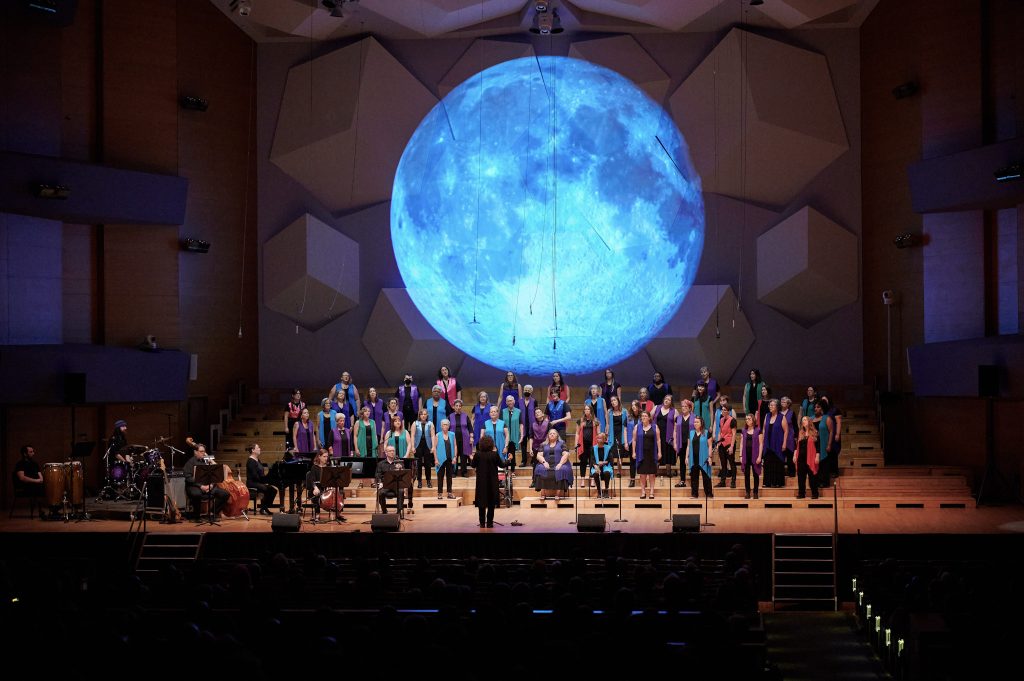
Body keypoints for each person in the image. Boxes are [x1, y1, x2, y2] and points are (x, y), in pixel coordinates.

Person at [183, 443, 229, 519]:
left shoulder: (207, 461)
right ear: (195, 452)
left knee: (225, 494)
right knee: (196, 494)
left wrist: (211, 485)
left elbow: (215, 474)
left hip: (208, 486)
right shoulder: (190, 462)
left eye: (204, 451)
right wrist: (201, 486)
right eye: (201, 451)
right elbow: (188, 478)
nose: (203, 453)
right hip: (194, 486)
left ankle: (212, 513)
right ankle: (196, 516)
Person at [532, 428, 573, 500]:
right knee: (540, 469)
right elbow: (539, 455)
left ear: (557, 435)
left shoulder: (562, 443)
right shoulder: (543, 444)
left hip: (559, 463)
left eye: (554, 433)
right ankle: (543, 493)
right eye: (550, 433)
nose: (552, 434)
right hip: (546, 463)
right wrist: (544, 462)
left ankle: (558, 494)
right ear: (548, 436)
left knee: (562, 469)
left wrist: (560, 463)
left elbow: (566, 454)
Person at [471, 434, 502, 528]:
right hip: (492, 482)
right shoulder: (494, 454)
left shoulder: (478, 454)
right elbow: (502, 464)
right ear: (491, 444)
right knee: (491, 503)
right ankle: (489, 523)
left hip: (481, 483)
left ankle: (481, 523)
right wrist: (509, 459)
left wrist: (471, 458)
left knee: (481, 503)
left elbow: (473, 465)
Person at [375, 445, 413, 514]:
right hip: (385, 485)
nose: (392, 452)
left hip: (396, 485)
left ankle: (398, 512)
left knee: (401, 491)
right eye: (390, 451)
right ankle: (384, 510)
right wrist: (380, 483)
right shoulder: (381, 464)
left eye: (393, 451)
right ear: (386, 453)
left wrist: (400, 469)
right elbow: (377, 475)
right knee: (381, 493)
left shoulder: (399, 462)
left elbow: (404, 475)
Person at [632, 410, 661, 500]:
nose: (643, 417)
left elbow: (658, 440)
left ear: (649, 417)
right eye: (642, 416)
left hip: (652, 453)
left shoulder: (655, 427)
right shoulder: (637, 427)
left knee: (652, 474)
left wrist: (659, 451)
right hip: (641, 453)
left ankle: (651, 492)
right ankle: (643, 492)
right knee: (642, 474)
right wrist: (633, 451)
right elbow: (634, 440)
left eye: (645, 416)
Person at [652, 395, 680, 476]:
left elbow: (676, 425)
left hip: (668, 436)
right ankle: (655, 471)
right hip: (657, 434)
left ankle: (668, 471)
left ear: (671, 402)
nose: (666, 401)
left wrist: (675, 438)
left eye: (669, 400)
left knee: (668, 453)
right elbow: (649, 417)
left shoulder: (674, 411)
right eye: (665, 399)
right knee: (657, 451)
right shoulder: (656, 407)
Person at [13, 445, 45, 518]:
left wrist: (41, 480)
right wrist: (36, 481)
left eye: (33, 451)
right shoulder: (20, 464)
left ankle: (53, 509)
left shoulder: (35, 464)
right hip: (24, 487)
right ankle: (41, 510)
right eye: (31, 452)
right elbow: (22, 478)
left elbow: (40, 476)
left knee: (46, 487)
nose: (33, 453)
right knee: (37, 487)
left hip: (35, 485)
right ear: (25, 454)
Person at [245, 444, 277, 515]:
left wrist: (266, 480)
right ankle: (263, 509)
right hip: (252, 482)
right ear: (253, 450)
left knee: (273, 490)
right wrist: (264, 482)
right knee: (265, 488)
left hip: (258, 481)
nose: (259, 449)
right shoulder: (250, 461)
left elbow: (261, 473)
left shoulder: (257, 460)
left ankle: (264, 507)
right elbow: (254, 476)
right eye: (258, 447)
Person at [713, 396, 738, 488]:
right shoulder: (721, 419)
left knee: (731, 463)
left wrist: (731, 446)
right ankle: (722, 482)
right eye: (722, 409)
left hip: (729, 444)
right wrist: (718, 443)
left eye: (724, 410)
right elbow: (720, 432)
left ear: (728, 411)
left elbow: (734, 434)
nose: (722, 411)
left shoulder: (732, 420)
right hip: (722, 444)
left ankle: (733, 481)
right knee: (723, 464)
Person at [687, 417, 714, 499]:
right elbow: (688, 446)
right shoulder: (691, 433)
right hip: (693, 459)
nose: (695, 423)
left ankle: (709, 494)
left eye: (697, 422)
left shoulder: (706, 433)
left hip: (704, 459)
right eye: (694, 422)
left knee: (706, 477)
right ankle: (694, 494)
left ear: (701, 423)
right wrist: (686, 457)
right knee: (694, 478)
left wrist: (710, 457)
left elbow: (710, 446)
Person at [762, 399, 786, 488]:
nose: (770, 407)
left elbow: (786, 431)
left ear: (777, 407)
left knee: (777, 462)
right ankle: (768, 482)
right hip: (768, 443)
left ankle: (777, 482)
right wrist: (763, 440)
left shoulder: (781, 417)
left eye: (772, 405)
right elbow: (764, 428)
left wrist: (784, 443)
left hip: (778, 443)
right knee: (768, 462)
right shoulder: (767, 416)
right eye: (770, 405)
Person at [738, 414, 762, 500]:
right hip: (746, 455)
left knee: (755, 474)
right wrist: (740, 455)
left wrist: (759, 456)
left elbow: (761, 444)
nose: (747, 420)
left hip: (755, 456)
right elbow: (741, 444)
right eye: (746, 419)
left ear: (753, 420)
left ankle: (755, 492)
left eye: (749, 419)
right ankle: (747, 492)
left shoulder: (758, 430)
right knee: (747, 475)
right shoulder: (743, 430)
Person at [796, 416, 820, 499]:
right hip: (801, 458)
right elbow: (797, 446)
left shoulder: (814, 432)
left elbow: (818, 446)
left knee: (812, 476)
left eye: (805, 420)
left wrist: (817, 456)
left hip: (810, 457)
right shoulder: (801, 433)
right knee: (801, 477)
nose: (803, 421)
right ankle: (801, 493)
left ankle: (815, 493)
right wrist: (795, 455)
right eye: (802, 420)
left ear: (809, 421)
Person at [606, 395, 628, 483]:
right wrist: (607, 435)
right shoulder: (609, 412)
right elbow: (608, 424)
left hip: (621, 434)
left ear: (618, 401)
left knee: (620, 456)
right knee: (612, 455)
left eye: (614, 400)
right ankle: (611, 471)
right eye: (611, 401)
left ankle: (619, 471)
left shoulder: (625, 411)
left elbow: (627, 424)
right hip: (612, 434)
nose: (613, 402)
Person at [412, 408, 436, 488]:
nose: (423, 416)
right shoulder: (415, 423)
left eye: (425, 414)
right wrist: (412, 446)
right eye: (422, 414)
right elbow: (412, 435)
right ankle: (419, 481)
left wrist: (433, 446)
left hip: (427, 445)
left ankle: (428, 480)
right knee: (418, 464)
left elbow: (433, 435)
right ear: (419, 415)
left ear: (427, 415)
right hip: (418, 445)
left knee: (427, 464)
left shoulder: (430, 423)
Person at [433, 419, 457, 500]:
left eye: (446, 424)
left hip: (450, 458)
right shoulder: (438, 435)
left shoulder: (452, 434)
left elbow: (455, 446)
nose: (445, 426)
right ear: (441, 426)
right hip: (440, 459)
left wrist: (455, 457)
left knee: (449, 476)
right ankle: (439, 493)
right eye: (443, 424)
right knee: (440, 476)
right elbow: (434, 448)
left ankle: (449, 493)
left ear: (449, 426)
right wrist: (436, 459)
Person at [813, 401, 835, 489]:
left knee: (823, 464)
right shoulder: (811, 418)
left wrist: (829, 444)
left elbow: (831, 432)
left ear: (822, 408)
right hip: (813, 445)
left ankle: (824, 482)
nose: (815, 409)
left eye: (818, 407)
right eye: (815, 407)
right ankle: (815, 482)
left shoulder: (827, 418)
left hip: (823, 444)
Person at [450, 399, 474, 477]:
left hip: (465, 439)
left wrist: (471, 437)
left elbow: (470, 427)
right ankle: (454, 472)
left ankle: (464, 472)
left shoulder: (465, 416)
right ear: (453, 407)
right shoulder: (450, 416)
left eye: (460, 406)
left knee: (464, 456)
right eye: (456, 406)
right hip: (453, 439)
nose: (458, 407)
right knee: (455, 455)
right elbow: (446, 427)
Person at [305, 449, 330, 522]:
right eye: (324, 456)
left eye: (327, 456)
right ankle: (317, 514)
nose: (326, 458)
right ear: (319, 456)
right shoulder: (314, 467)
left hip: (325, 489)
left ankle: (338, 514)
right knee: (316, 494)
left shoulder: (328, 467)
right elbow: (312, 480)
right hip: (314, 488)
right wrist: (315, 488)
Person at [675, 399, 695, 487]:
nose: (683, 408)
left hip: (692, 443)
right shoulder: (678, 418)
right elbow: (675, 431)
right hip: (681, 442)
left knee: (693, 461)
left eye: (686, 406)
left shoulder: (695, 417)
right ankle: (682, 480)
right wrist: (675, 443)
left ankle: (694, 480)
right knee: (682, 462)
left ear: (690, 408)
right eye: (682, 406)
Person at [501, 395, 523, 472]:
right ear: (506, 402)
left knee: (512, 452)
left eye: (511, 400)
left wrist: (522, 435)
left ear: (514, 401)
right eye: (508, 401)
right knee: (505, 453)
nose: (510, 402)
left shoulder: (518, 411)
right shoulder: (502, 411)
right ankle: (505, 470)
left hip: (514, 435)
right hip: (504, 436)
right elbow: (500, 423)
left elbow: (521, 423)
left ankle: (513, 470)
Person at [590, 433, 614, 499]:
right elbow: (592, 459)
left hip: (606, 466)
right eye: (598, 438)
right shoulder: (593, 448)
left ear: (604, 440)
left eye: (600, 438)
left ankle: (606, 490)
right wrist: (595, 465)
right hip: (596, 466)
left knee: (607, 473)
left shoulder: (608, 448)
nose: (598, 439)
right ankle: (599, 491)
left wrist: (603, 463)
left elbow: (610, 459)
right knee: (595, 473)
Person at [624, 400, 642, 487]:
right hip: (631, 442)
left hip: (641, 442)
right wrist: (626, 442)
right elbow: (625, 429)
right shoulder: (628, 417)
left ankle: (643, 480)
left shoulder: (643, 416)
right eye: (632, 405)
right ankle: (632, 480)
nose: (633, 406)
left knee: (642, 461)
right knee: (632, 462)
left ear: (638, 406)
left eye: (635, 405)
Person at [519, 385, 538, 466]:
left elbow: (537, 413)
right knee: (523, 444)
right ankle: (523, 461)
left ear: (531, 391)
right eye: (525, 389)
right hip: (523, 425)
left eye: (529, 390)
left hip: (532, 425)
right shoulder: (519, 401)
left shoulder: (534, 401)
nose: (527, 391)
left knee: (533, 443)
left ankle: (533, 460)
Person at [780, 396, 798, 477]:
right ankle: (782, 472)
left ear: (788, 404)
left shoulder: (791, 413)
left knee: (790, 455)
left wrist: (796, 437)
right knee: (781, 455)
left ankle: (791, 472)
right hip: (780, 436)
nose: (782, 403)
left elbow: (795, 425)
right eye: (781, 401)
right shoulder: (778, 413)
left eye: (784, 402)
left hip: (790, 437)